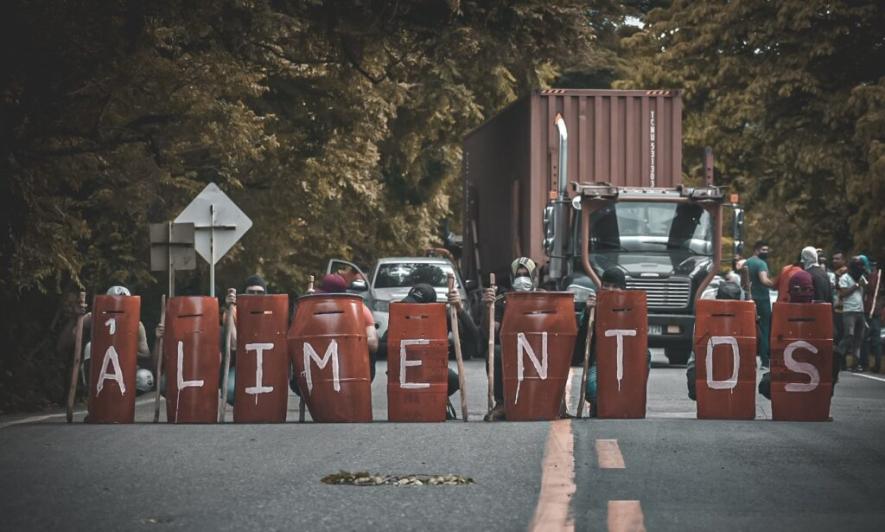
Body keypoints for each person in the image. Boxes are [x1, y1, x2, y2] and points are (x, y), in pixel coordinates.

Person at [380, 282, 479, 419]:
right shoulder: (402, 316)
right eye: (411, 304)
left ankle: (438, 400)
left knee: (452, 379)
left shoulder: (443, 316)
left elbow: (475, 337)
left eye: (418, 306)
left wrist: (459, 310)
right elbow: (381, 347)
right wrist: (405, 346)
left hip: (432, 370)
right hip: (407, 370)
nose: (413, 309)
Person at [481, 257, 540, 421]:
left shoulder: (544, 297)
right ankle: (502, 403)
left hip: (541, 347)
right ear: (511, 277)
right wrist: (488, 308)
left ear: (534, 276)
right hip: (512, 349)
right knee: (495, 352)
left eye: (526, 274)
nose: (522, 279)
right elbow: (491, 331)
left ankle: (556, 403)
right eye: (518, 274)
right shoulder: (503, 301)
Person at [79, 286, 154, 395]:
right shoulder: (95, 316)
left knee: (143, 376)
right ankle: (91, 392)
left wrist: (126, 351)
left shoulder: (136, 324)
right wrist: (79, 316)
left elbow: (146, 354)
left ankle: (126, 401)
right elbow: (75, 332)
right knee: (89, 347)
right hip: (101, 363)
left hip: (124, 365)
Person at [686, 280, 743, 400]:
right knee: (696, 388)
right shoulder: (706, 305)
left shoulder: (743, 310)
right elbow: (695, 344)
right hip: (704, 359)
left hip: (732, 361)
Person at [745, 241, 776, 368]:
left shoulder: (747, 263)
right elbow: (764, 280)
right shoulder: (761, 263)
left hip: (749, 299)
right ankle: (764, 361)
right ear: (756, 250)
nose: (766, 252)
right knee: (764, 330)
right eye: (763, 250)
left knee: (749, 331)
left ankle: (749, 361)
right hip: (762, 300)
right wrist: (774, 284)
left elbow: (744, 283)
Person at [839, 257, 867, 371]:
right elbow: (843, 294)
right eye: (858, 266)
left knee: (858, 339)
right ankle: (838, 357)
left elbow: (867, 289)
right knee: (849, 336)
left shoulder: (861, 277)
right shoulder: (844, 278)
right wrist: (856, 285)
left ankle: (855, 364)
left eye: (861, 266)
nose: (860, 268)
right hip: (849, 311)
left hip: (860, 311)